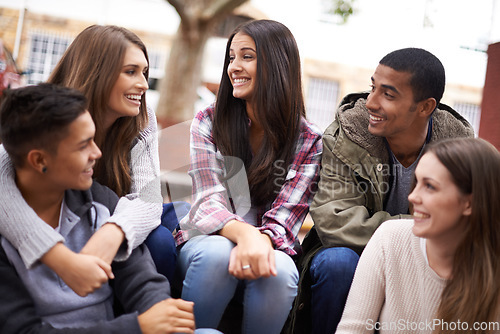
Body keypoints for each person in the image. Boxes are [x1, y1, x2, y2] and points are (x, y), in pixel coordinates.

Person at [286, 48, 475, 334]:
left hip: (430, 258)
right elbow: (335, 222)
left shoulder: (460, 149)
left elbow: (472, 225)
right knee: (337, 262)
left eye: (388, 94)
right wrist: (415, 229)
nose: (370, 102)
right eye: (372, 87)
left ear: (425, 107)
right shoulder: (346, 134)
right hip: (354, 253)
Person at [0, 83, 207, 334]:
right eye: (82, 145)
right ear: (39, 160)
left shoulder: (99, 201)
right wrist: (138, 327)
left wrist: (163, 314)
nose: (97, 153)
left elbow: (140, 278)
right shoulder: (6, 239)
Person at [0, 25, 182, 293]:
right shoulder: (44, 110)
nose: (143, 84)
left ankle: (157, 309)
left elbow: (148, 199)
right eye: (131, 71)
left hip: (117, 213)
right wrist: (55, 255)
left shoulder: (142, 117)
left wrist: (113, 231)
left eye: (144, 72)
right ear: (97, 71)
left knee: (162, 238)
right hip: (68, 219)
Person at [174, 19, 322, 333]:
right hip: (209, 237)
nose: (234, 67)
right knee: (216, 254)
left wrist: (259, 239)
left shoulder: (309, 141)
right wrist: (246, 236)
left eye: (247, 56)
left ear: (277, 65)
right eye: (232, 57)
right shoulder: (208, 121)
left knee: (278, 271)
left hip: (270, 243)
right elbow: (207, 199)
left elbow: (285, 218)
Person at [336, 137, 500, 333]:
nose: (412, 196)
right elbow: (353, 329)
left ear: (469, 203)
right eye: (417, 182)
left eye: (430, 186)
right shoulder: (390, 238)